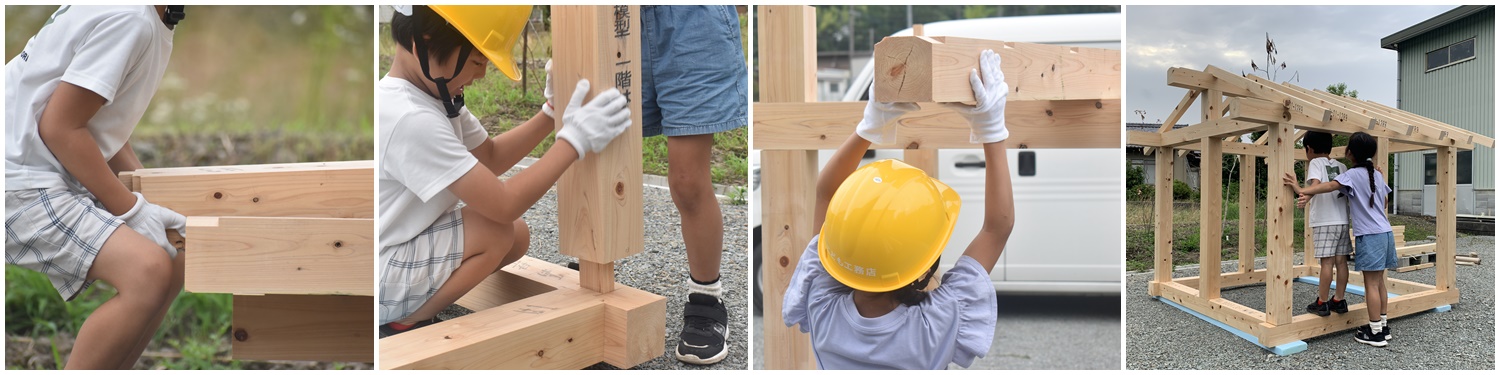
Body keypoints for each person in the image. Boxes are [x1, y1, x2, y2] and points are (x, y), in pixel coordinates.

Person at [377, 5, 631, 335]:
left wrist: (552, 112)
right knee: (496, 228)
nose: (481, 74)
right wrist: (573, 142)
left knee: (515, 235)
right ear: (426, 41)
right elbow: (504, 203)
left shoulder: (432, 95)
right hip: (380, 276)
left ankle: (412, 302)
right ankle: (404, 320)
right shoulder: (411, 118)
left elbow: (490, 156)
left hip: (394, 256)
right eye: (478, 60)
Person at [782, 50, 1014, 369]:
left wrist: (870, 126)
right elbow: (997, 228)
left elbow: (826, 193)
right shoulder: (934, 324)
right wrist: (992, 130)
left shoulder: (823, 306)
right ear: (923, 268)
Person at [5, 5, 187, 369]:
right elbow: (60, 127)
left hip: (35, 162)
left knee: (174, 249)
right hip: (18, 176)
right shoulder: (131, 18)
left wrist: (146, 193)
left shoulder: (139, 14)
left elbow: (97, 121)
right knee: (146, 271)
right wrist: (131, 210)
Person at [637, 6, 748, 365]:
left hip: (692, 24)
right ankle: (594, 275)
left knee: (687, 181)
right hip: (610, 18)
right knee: (595, 154)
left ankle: (706, 297)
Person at [1284, 132, 1394, 347]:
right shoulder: (1376, 175)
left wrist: (1300, 190)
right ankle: (1382, 325)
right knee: (1379, 281)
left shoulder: (1351, 174)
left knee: (1370, 284)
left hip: (1368, 235)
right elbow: (1385, 202)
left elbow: (1327, 186)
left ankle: (1374, 333)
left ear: (1349, 152)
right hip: (1385, 233)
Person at [1289, 131, 1351, 317]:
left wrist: (1301, 191)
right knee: (1341, 262)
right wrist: (1306, 197)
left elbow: (1316, 183)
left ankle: (1322, 302)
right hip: (1342, 220)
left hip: (1325, 221)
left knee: (1326, 263)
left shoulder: (1315, 162)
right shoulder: (1342, 166)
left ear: (1309, 148)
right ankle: (1339, 300)